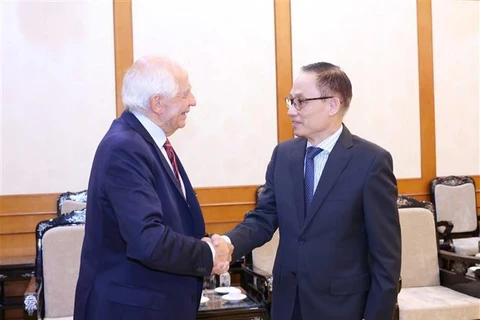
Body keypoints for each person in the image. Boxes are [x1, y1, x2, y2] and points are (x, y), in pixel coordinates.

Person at [225, 62, 401, 320]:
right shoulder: (283, 156)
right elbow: (263, 219)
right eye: (290, 101)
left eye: (300, 102)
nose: (290, 111)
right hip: (288, 304)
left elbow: (386, 256)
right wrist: (227, 244)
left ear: (332, 105)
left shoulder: (371, 162)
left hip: (343, 308)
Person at [74, 56, 233, 320]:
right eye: (185, 94)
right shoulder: (125, 147)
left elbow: (170, 221)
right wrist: (208, 252)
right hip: (131, 310)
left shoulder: (145, 141)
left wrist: (207, 242)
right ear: (157, 103)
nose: (192, 101)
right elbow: (148, 240)